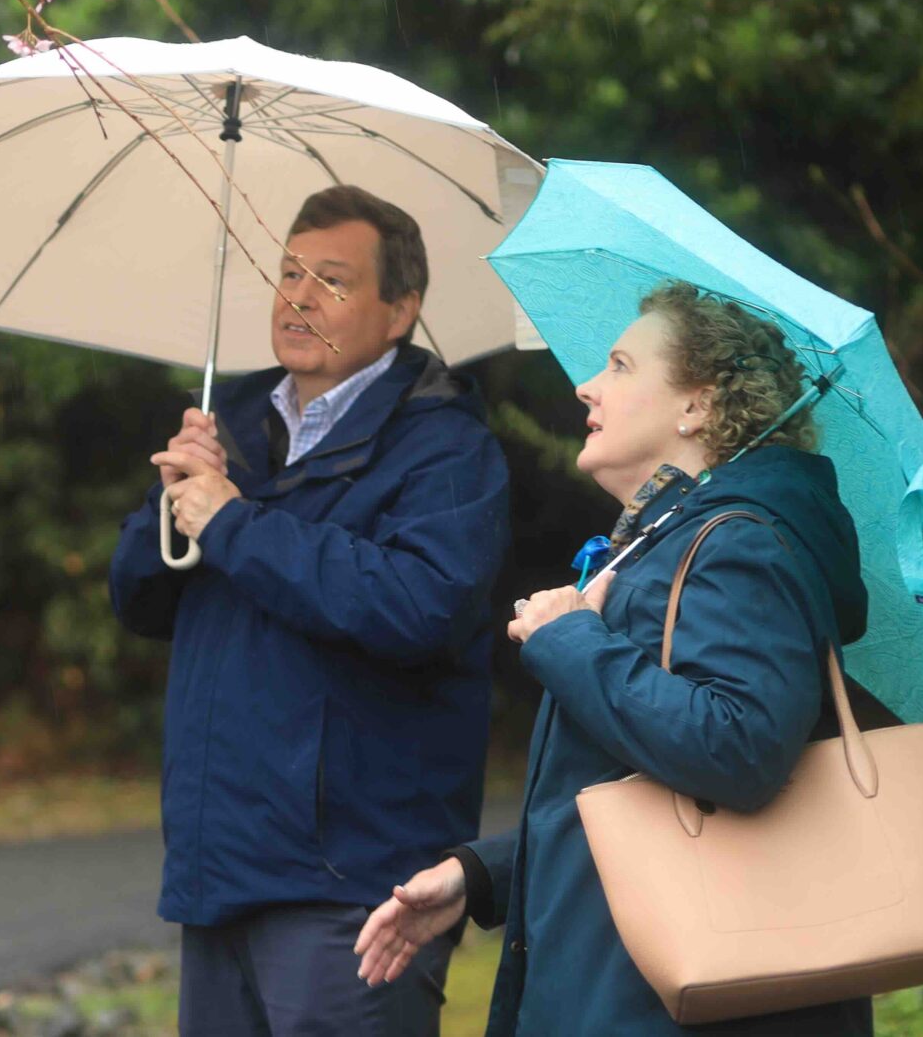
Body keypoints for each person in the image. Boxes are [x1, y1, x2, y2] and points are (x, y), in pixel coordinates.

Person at [354, 281, 871, 1035]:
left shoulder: (738, 545)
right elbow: (638, 788)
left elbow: (737, 747)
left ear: (697, 404)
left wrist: (571, 639)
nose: (585, 385)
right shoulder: (673, 543)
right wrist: (487, 876)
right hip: (631, 986)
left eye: (622, 366)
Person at [108, 184, 511, 1037]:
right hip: (220, 867)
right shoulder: (236, 420)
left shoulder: (445, 446)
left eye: (332, 279)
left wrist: (233, 521)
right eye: (287, 272)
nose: (298, 296)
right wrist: (171, 503)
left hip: (354, 882)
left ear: (399, 310)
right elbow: (138, 599)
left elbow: (415, 606)